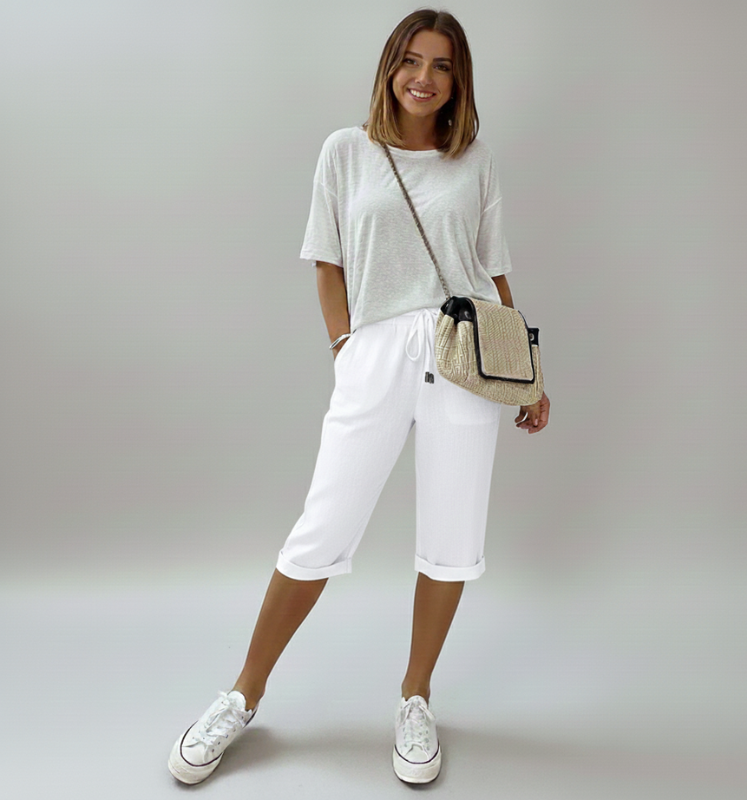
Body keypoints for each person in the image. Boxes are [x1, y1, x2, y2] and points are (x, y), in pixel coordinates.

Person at [167, 7, 550, 786]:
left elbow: (494, 267)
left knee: (451, 534)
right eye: (413, 60)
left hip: (465, 354)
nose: (425, 77)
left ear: (459, 80)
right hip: (375, 350)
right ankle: (241, 696)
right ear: (388, 66)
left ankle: (415, 697)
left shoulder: (474, 160)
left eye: (443, 65)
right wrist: (346, 349)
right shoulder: (347, 151)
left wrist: (529, 374)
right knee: (321, 528)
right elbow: (326, 260)